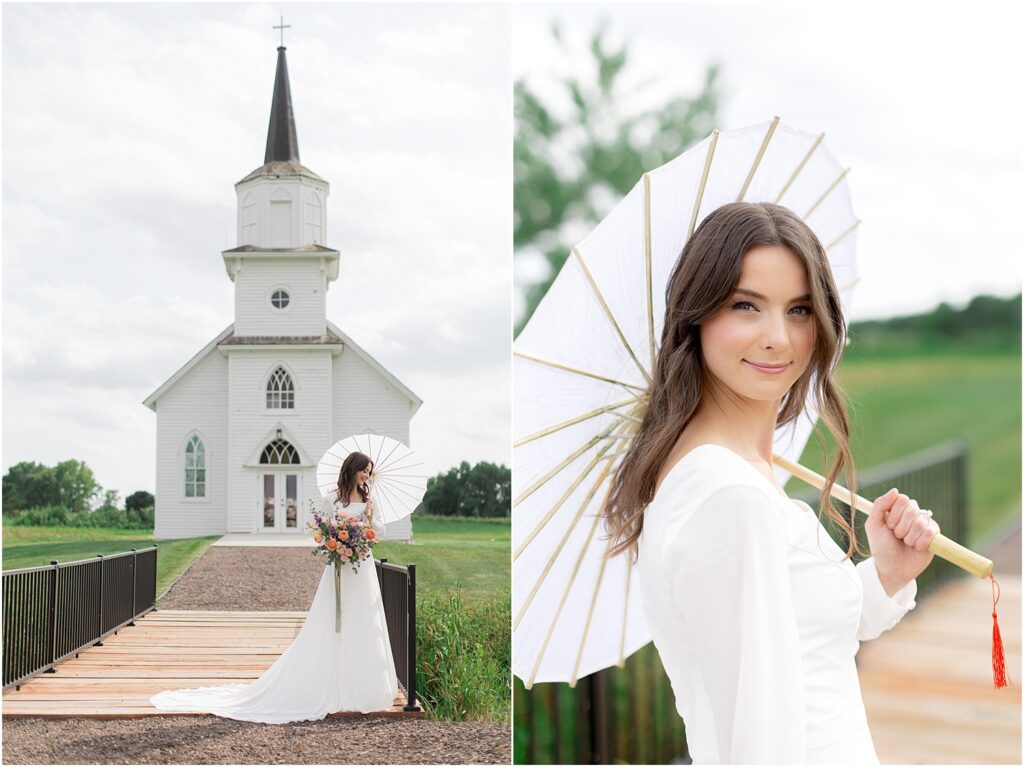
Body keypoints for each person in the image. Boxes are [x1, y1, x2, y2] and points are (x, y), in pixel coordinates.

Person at [603, 202, 940, 764]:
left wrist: (886, 573)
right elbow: (758, 736)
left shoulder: (737, 475)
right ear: (696, 315)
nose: (778, 338)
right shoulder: (729, 498)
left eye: (800, 310)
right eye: (745, 306)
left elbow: (797, 638)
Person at [150, 451, 398, 722]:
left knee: (362, 621)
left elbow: (380, 533)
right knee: (333, 622)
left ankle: (360, 686)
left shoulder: (369, 500)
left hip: (362, 569)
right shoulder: (332, 499)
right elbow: (322, 531)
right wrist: (336, 544)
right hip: (339, 568)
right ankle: (329, 684)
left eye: (370, 472)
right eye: (364, 470)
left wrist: (371, 519)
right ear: (353, 469)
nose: (367, 476)